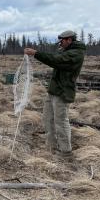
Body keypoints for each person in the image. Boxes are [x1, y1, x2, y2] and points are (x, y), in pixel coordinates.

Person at [24, 30, 86, 158]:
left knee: (61, 121)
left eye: (62, 40)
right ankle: (51, 147)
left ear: (69, 40)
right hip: (53, 91)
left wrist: (36, 53)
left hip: (62, 92)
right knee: (48, 119)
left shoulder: (76, 54)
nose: (60, 43)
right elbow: (56, 57)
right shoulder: (66, 50)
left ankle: (65, 152)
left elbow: (56, 60)